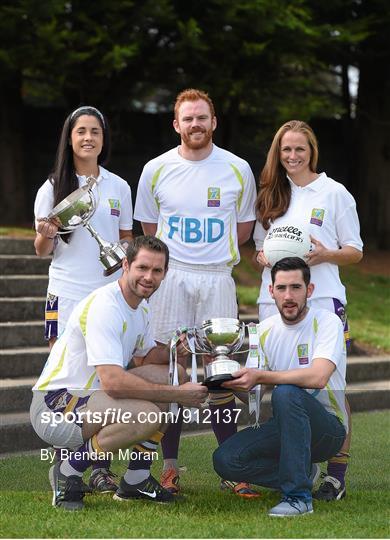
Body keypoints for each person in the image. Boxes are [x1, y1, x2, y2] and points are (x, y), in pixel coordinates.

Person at [134, 88, 258, 497]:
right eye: (188, 119)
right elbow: (149, 232)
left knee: (218, 368)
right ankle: (169, 467)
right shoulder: (155, 169)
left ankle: (231, 467)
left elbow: (242, 231)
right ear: (176, 124)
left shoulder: (238, 168)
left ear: (214, 121)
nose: (195, 125)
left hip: (217, 277)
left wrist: (211, 256)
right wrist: (176, 263)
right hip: (174, 277)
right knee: (172, 365)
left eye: (202, 117)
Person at [30, 236, 208, 511]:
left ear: (165, 273)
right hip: (55, 406)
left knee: (176, 374)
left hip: (90, 399)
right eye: (142, 268)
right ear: (126, 265)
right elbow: (113, 382)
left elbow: (144, 357)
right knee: (149, 413)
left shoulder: (140, 307)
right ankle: (68, 470)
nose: (149, 277)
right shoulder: (106, 306)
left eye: (156, 271)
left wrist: (178, 348)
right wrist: (178, 395)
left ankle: (136, 479)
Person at [253, 120, 363, 500]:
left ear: (312, 151)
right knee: (282, 385)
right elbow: (259, 251)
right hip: (274, 303)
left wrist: (325, 255)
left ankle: (336, 474)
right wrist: (262, 256)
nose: (293, 156)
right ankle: (298, 463)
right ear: (277, 153)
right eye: (286, 150)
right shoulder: (270, 194)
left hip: (323, 299)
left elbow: (355, 249)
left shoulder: (334, 193)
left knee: (331, 387)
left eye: (300, 149)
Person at [34, 105, 133, 493]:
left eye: (95, 131)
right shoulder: (51, 188)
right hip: (65, 294)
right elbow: (41, 250)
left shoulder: (119, 187)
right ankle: (64, 462)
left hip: (105, 296)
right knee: (67, 379)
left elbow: (126, 235)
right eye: (81, 132)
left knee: (105, 379)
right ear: (70, 138)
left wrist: (121, 253)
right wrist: (49, 230)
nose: (88, 137)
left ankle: (98, 466)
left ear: (103, 139)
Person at [213, 257, 348, 517]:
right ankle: (302, 472)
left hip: (327, 430)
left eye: (296, 287)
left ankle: (298, 497)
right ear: (270, 291)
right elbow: (251, 395)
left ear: (309, 291)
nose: (289, 296)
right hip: (287, 427)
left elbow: (318, 377)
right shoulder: (264, 330)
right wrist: (225, 377)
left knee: (287, 392)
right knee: (225, 459)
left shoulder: (328, 322)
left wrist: (261, 375)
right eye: (282, 288)